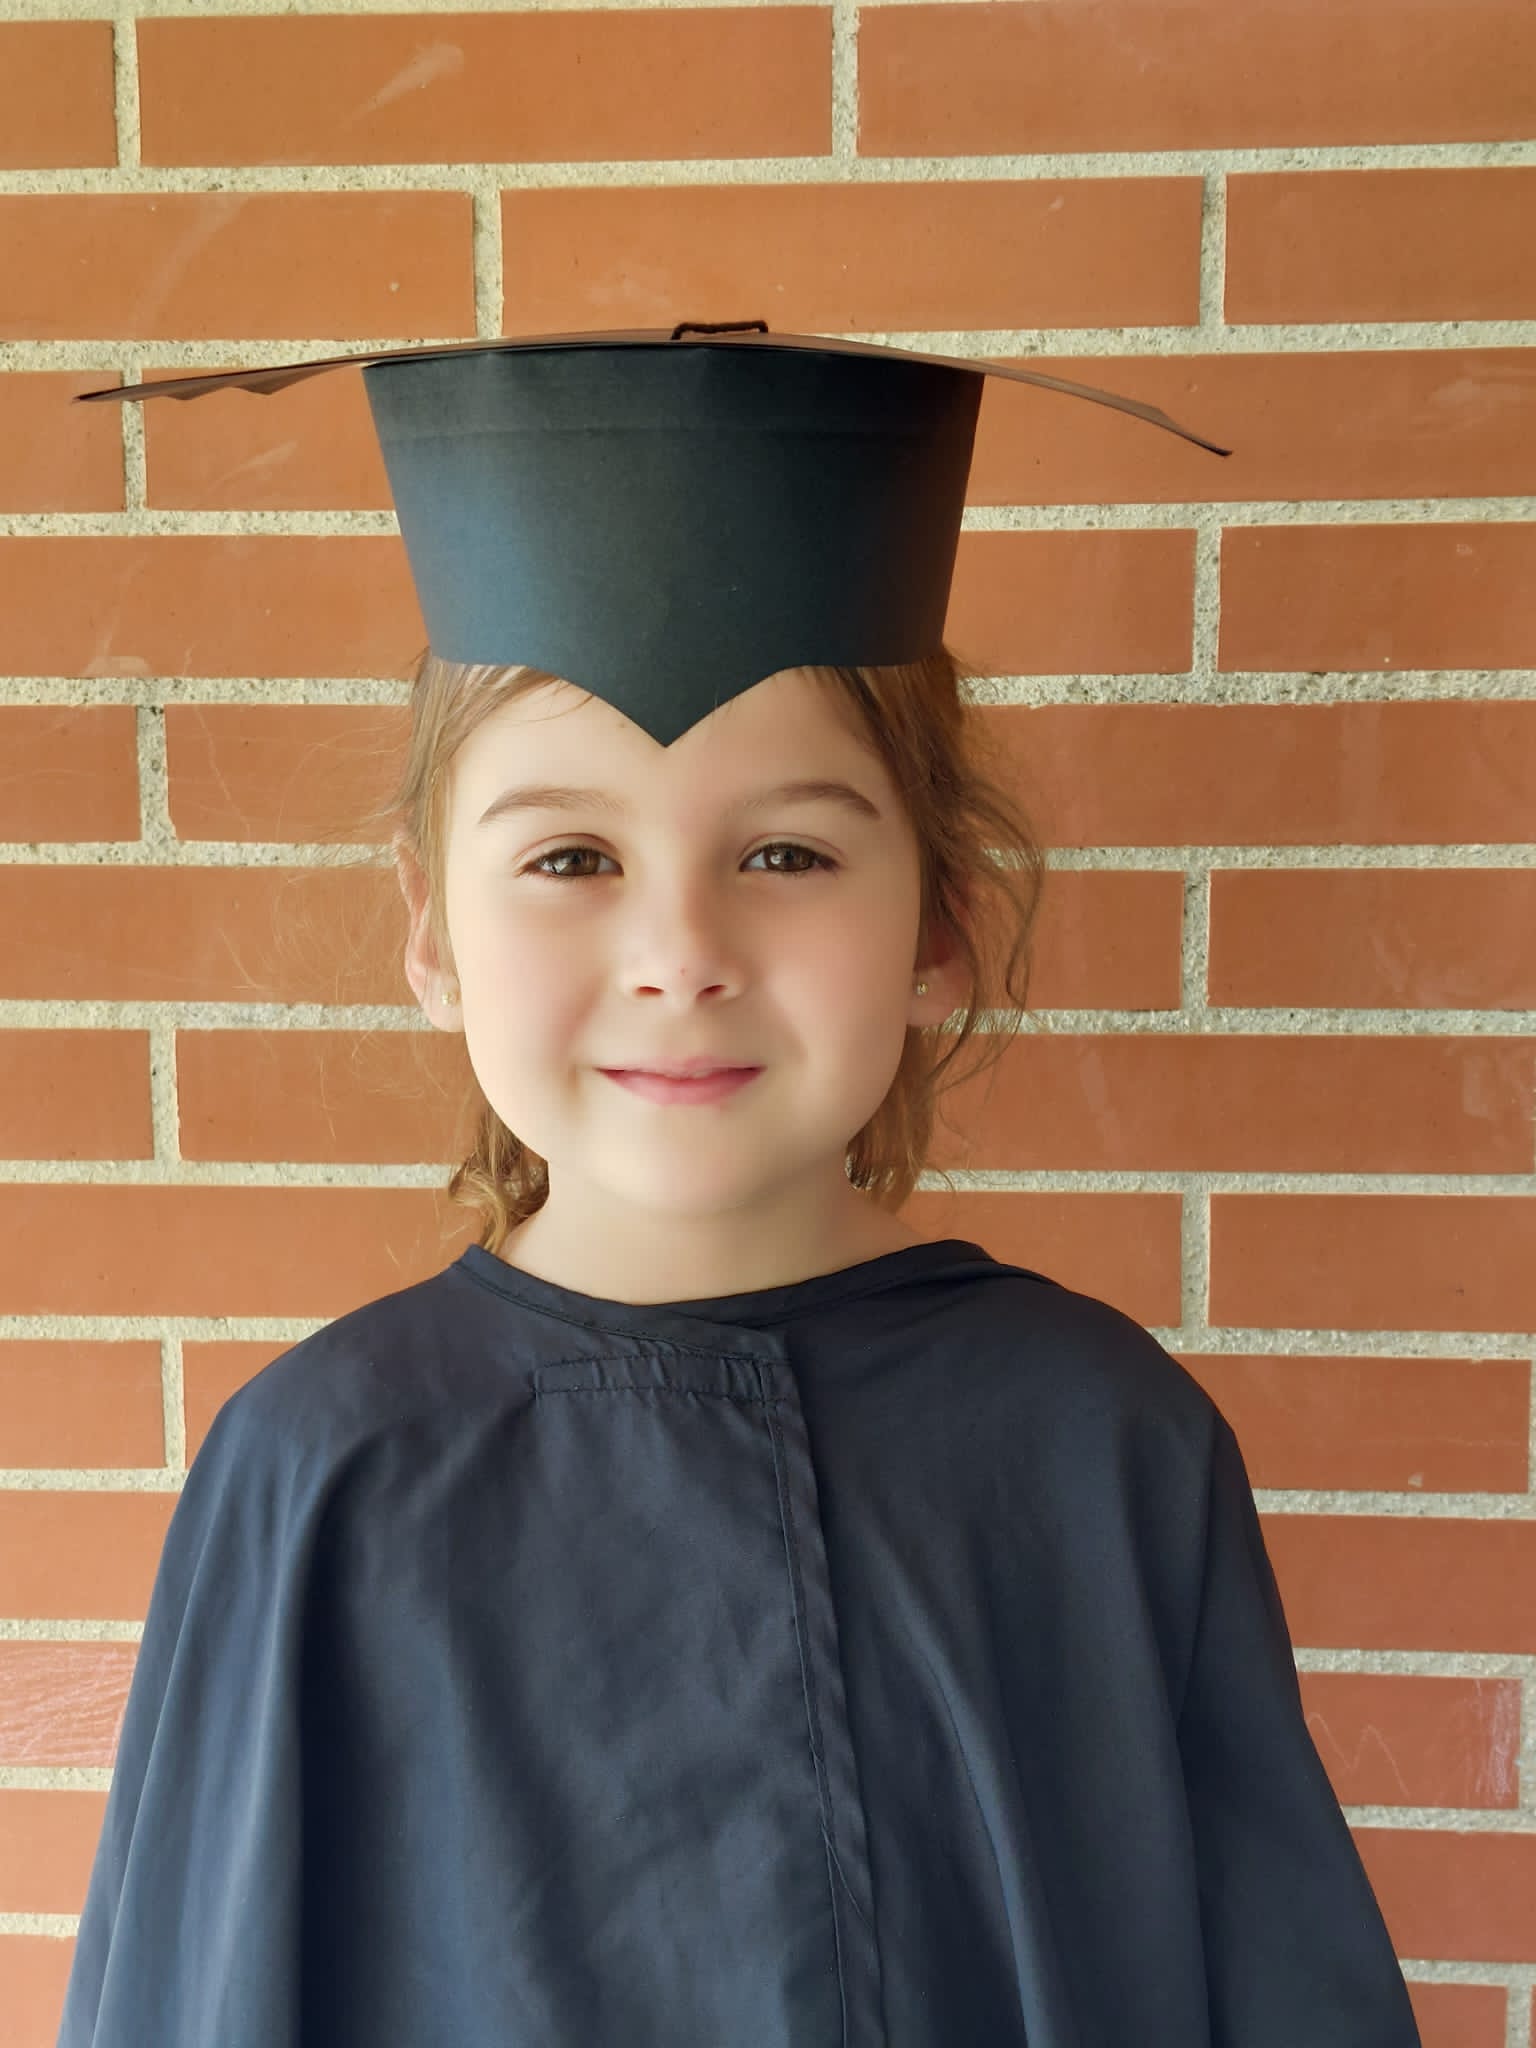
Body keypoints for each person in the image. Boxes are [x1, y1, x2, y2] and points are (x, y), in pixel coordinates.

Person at [56, 325, 1421, 2046]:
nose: (679, 951)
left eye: (786, 852)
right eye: (572, 857)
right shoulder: (316, 1472)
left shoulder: (1101, 1448)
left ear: (936, 919)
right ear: (431, 928)